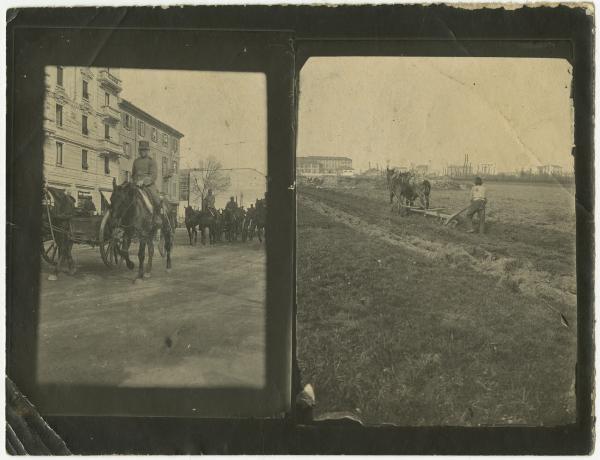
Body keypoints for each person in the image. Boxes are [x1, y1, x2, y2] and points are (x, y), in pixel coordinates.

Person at [132, 140, 161, 213]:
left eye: (144, 150)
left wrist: (143, 182)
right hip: (136, 185)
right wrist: (136, 182)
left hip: (149, 186)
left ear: (148, 150)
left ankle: (157, 216)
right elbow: (133, 174)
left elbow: (153, 175)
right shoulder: (136, 161)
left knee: (156, 199)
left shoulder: (151, 161)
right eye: (141, 150)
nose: (142, 152)